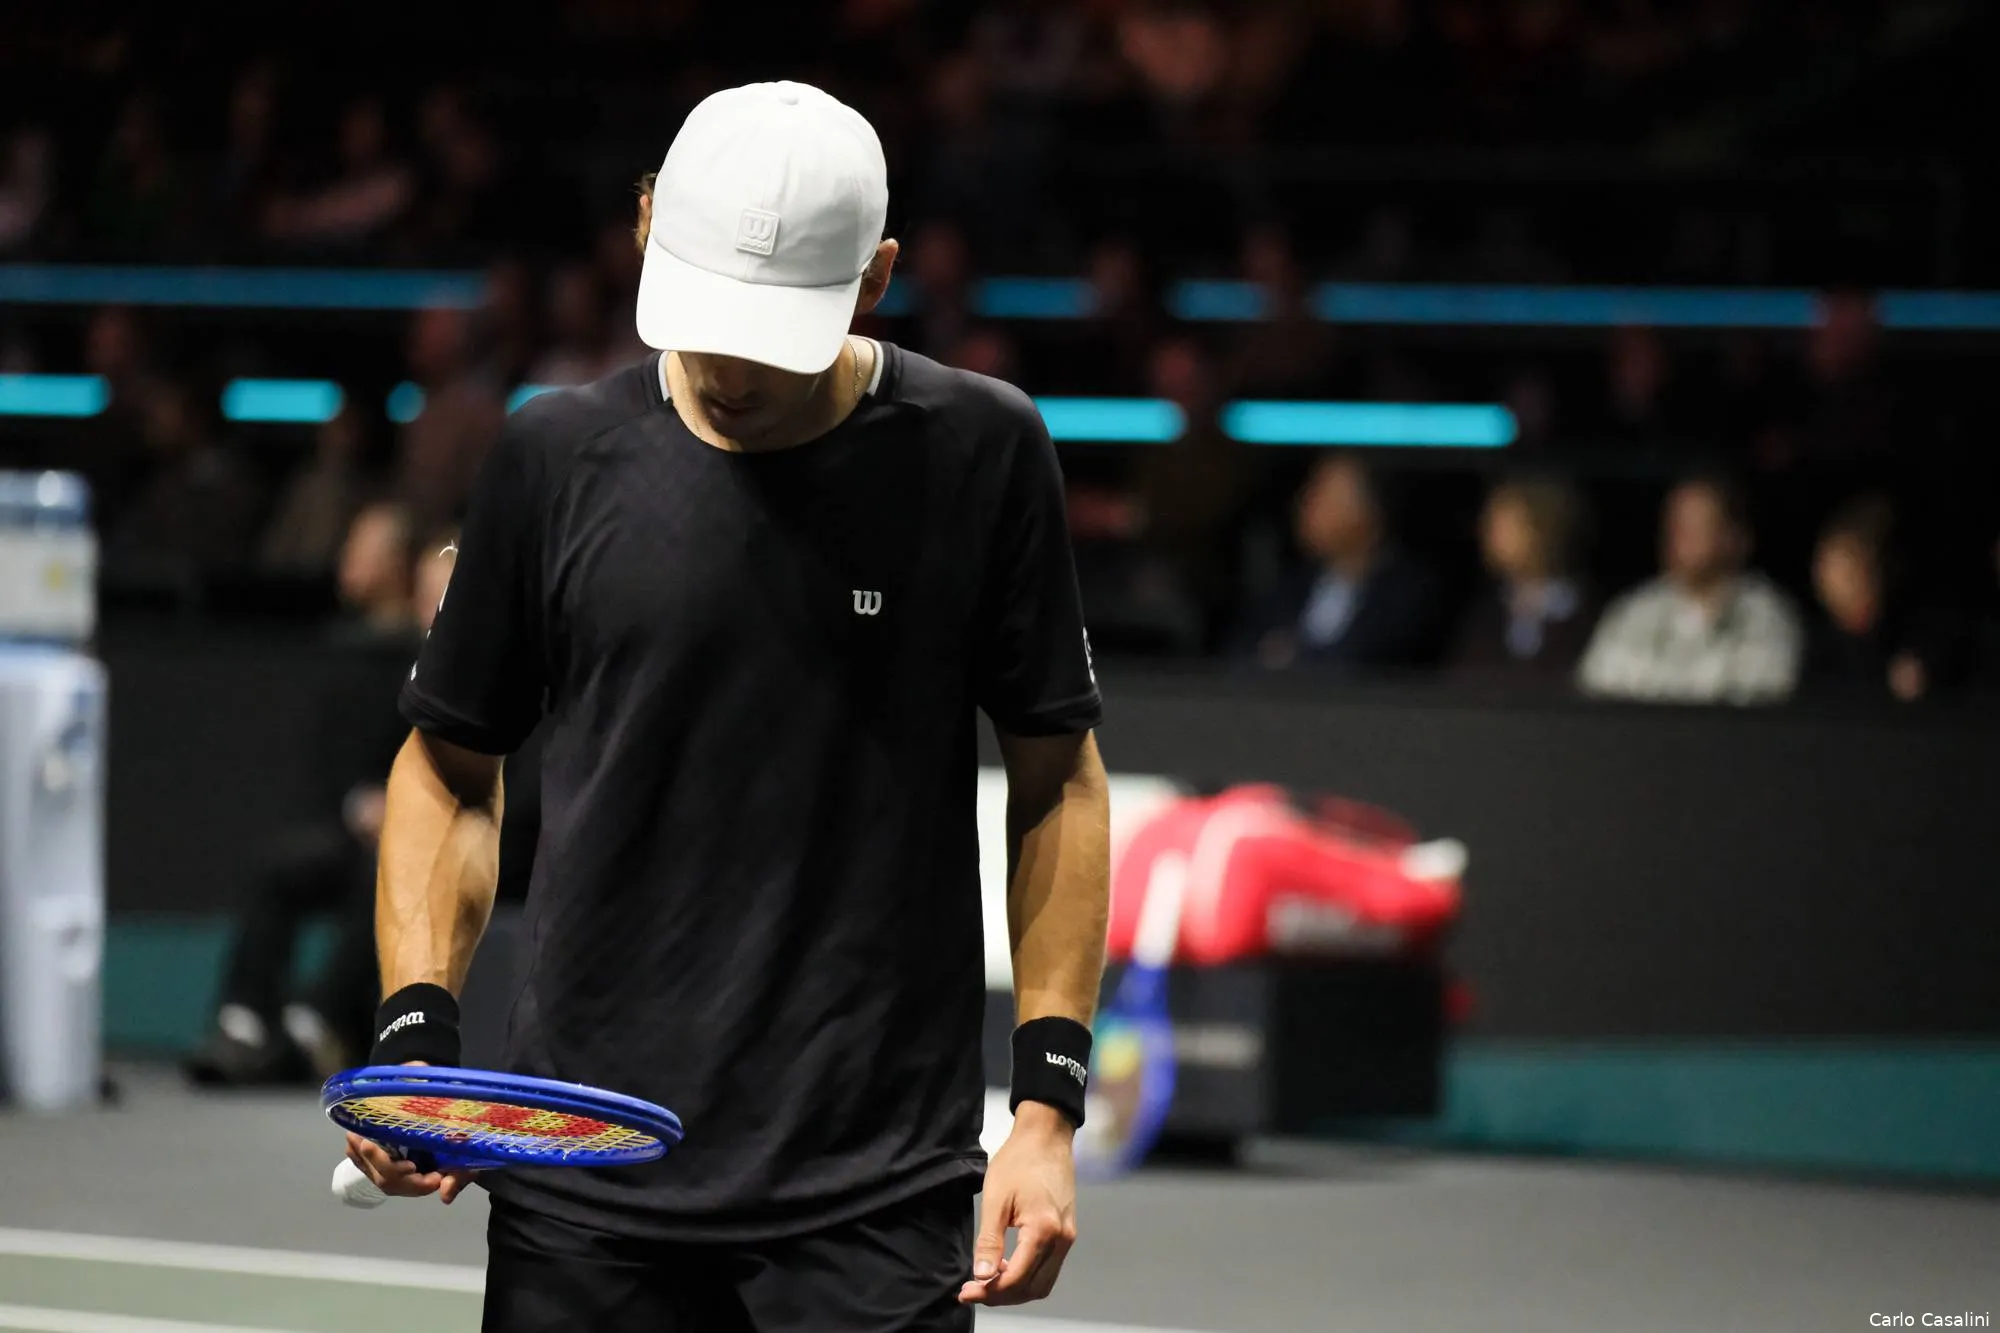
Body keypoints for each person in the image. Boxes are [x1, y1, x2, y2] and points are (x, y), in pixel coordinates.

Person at [341, 82, 1110, 1331]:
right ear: (645, 223)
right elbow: (446, 768)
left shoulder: (981, 452)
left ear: (876, 278)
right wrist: (416, 1025)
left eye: (777, 326)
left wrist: (1044, 1107)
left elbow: (1056, 781)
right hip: (577, 1175)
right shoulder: (551, 459)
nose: (733, 365)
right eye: (708, 312)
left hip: (874, 1187)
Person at [183, 502, 426, 1086]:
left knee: (381, 871)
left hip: (414, 840)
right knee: (282, 866)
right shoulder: (347, 653)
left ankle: (315, 1023)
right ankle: (243, 1020)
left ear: (397, 565)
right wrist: (357, 804)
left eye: (362, 550)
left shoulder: (433, 659)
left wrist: (401, 808)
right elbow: (340, 766)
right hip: (353, 830)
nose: (347, 561)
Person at [1578, 473, 1803, 705]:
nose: (1678, 537)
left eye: (1696, 525)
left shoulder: (1765, 617)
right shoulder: (1634, 611)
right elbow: (1598, 693)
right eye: (1674, 525)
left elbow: (1761, 703)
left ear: (1735, 538)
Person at [1238, 453, 1440, 672]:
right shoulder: (1291, 587)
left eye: (1327, 498)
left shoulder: (1406, 593)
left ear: (1372, 511)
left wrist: (1295, 657)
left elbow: (1367, 663)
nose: (1307, 508)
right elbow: (1243, 653)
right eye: (1310, 495)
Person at [1451, 476, 1598, 685]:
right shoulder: (1484, 616)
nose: (1487, 534)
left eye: (1504, 525)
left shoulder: (1589, 618)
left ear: (1542, 528)